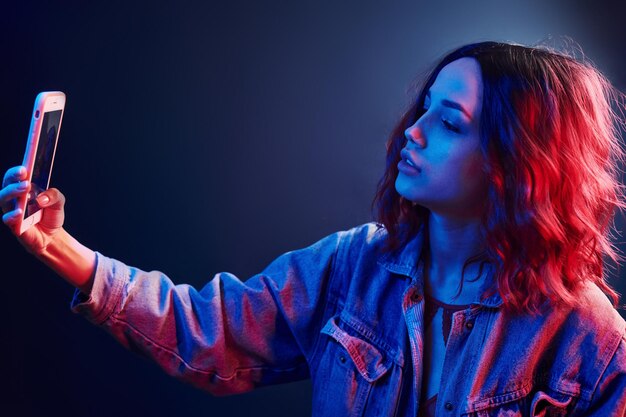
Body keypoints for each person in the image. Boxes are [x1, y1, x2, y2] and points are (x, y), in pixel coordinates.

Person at [2, 40, 626, 416]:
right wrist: (58, 246)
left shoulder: (589, 339)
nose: (413, 130)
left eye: (451, 123)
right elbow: (206, 332)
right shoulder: (353, 265)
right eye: (425, 107)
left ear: (518, 166)